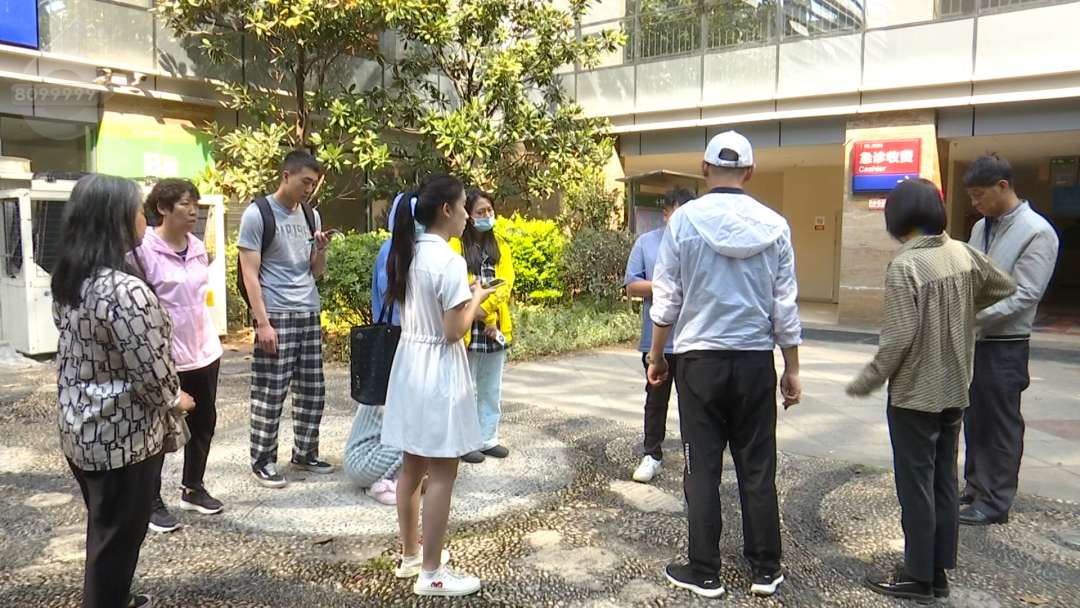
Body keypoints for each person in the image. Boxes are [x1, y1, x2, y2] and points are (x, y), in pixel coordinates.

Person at [647, 131, 801, 599]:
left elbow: (667, 297)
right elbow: (785, 305)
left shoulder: (684, 221)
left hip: (699, 361)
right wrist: (792, 368)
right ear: (750, 172)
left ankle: (704, 570)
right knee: (758, 466)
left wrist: (658, 356)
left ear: (704, 168)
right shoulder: (775, 225)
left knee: (702, 467)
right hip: (754, 361)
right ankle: (765, 569)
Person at [846, 179, 1015, 602]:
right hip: (955, 389)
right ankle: (937, 572)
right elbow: (1004, 286)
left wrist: (867, 379)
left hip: (915, 395)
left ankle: (917, 577)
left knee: (915, 486)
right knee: (943, 481)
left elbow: (898, 339)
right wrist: (960, 308)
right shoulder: (962, 252)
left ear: (897, 218)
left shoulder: (906, 265)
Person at [52, 174, 195, 608]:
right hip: (122, 438)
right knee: (119, 539)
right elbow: (151, 371)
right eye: (137, 211)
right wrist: (177, 399)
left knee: (104, 527)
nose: (143, 219)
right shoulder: (125, 290)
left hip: (80, 429)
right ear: (115, 220)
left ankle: (115, 596)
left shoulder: (71, 279)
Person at [380, 175, 497, 596]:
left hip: (410, 365)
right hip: (439, 369)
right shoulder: (449, 261)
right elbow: (453, 331)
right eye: (464, 206)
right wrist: (477, 298)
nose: (468, 215)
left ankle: (412, 554)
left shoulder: (409, 252)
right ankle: (432, 573)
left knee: (412, 466)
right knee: (444, 470)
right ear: (446, 210)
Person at [960, 154, 1060, 527]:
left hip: (1006, 343)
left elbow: (1025, 294)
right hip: (975, 340)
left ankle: (995, 501)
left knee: (1000, 423)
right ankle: (974, 488)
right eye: (971, 196)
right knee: (974, 418)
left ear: (1003, 186)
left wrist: (973, 317)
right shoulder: (980, 228)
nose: (975, 203)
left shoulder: (1037, 232)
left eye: (979, 195)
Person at [135, 178, 226, 534]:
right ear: (163, 208)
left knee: (204, 421)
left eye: (195, 205)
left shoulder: (197, 246)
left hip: (204, 350)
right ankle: (150, 501)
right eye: (186, 204)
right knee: (159, 429)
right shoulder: (143, 250)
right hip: (167, 356)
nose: (193, 211)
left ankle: (193, 487)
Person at [238, 150, 333, 488]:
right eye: (305, 181)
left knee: (312, 390)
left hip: (308, 310)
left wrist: (320, 249)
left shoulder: (311, 215)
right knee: (270, 391)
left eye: (313, 183)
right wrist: (262, 323)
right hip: (276, 313)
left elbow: (315, 271)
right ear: (286, 176)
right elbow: (250, 274)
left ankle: (305, 452)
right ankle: (262, 460)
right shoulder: (257, 214)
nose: (309, 189)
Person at [625, 187, 694, 483]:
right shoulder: (647, 242)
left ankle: (696, 458)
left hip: (694, 340)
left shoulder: (700, 244)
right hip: (656, 341)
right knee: (656, 400)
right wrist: (664, 285)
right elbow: (631, 285)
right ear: (666, 214)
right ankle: (651, 454)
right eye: (678, 213)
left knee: (694, 404)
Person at [343, 193, 407, 506]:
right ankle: (387, 475)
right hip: (397, 342)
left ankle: (396, 473)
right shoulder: (394, 251)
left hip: (399, 340)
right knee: (407, 418)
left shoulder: (401, 250)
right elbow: (392, 297)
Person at [450, 189, 515, 464]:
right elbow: (457, 284)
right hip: (467, 325)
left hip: (494, 325)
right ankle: (464, 441)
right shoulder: (456, 245)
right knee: (464, 388)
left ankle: (488, 438)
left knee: (491, 387)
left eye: (489, 210)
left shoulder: (500, 245)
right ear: (468, 215)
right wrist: (476, 311)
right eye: (480, 212)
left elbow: (505, 284)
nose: (487, 215)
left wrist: (487, 313)